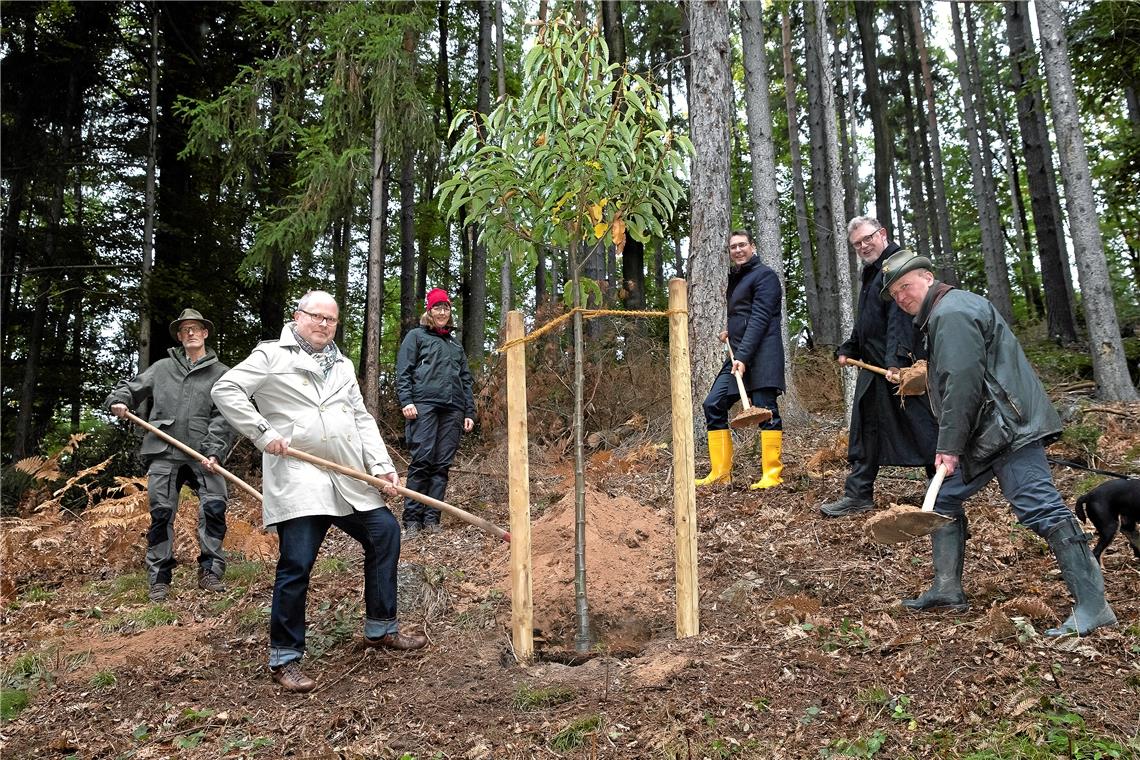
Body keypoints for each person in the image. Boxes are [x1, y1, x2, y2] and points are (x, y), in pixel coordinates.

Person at [881, 249, 1116, 637]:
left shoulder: (950, 313)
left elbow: (963, 384)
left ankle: (1094, 605)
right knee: (941, 501)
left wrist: (949, 445)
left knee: (1040, 508)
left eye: (906, 286)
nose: (902, 297)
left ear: (927, 278)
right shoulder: (946, 312)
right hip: (986, 433)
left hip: (1008, 431)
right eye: (895, 294)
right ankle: (946, 589)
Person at [211, 291, 426, 694]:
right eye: (317, 317)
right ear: (298, 317)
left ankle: (380, 629)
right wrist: (263, 433)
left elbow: (361, 417)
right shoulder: (271, 356)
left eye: (332, 319)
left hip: (347, 477)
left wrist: (380, 465)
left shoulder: (342, 365)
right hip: (300, 476)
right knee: (297, 564)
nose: (325, 325)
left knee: (385, 533)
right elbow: (226, 390)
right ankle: (285, 657)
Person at [106, 308, 235, 603]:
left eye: (196, 328)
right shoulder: (162, 368)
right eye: (185, 329)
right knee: (161, 514)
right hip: (164, 451)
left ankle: (211, 571)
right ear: (179, 336)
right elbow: (129, 389)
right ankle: (159, 579)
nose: (190, 333)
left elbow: (224, 418)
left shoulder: (222, 374)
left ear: (205, 333)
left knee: (214, 508)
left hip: (204, 453)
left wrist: (214, 451)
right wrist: (119, 401)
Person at [820, 216, 938, 517]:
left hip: (899, 366)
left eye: (867, 239)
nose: (863, 246)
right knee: (866, 428)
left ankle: (946, 488)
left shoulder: (897, 263)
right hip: (873, 366)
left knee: (921, 426)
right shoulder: (871, 272)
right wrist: (851, 346)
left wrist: (897, 362)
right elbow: (868, 319)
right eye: (857, 244)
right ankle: (858, 494)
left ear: (882, 233)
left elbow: (902, 315)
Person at [694, 230, 784, 490]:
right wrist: (731, 332)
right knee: (713, 403)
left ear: (753, 247)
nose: (738, 250)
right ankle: (721, 473)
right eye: (733, 247)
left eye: (742, 245)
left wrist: (743, 357)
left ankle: (772, 475)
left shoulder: (765, 276)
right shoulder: (737, 278)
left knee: (766, 409)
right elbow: (743, 316)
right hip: (739, 352)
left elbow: (759, 318)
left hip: (762, 352)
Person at [395, 288, 475, 537]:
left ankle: (432, 519)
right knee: (422, 462)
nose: (442, 312)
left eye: (446, 308)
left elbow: (465, 378)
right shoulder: (416, 336)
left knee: (441, 466)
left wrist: (468, 411)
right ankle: (411, 521)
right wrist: (406, 400)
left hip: (453, 409)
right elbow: (403, 370)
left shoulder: (454, 343)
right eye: (437, 307)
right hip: (424, 405)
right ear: (429, 311)